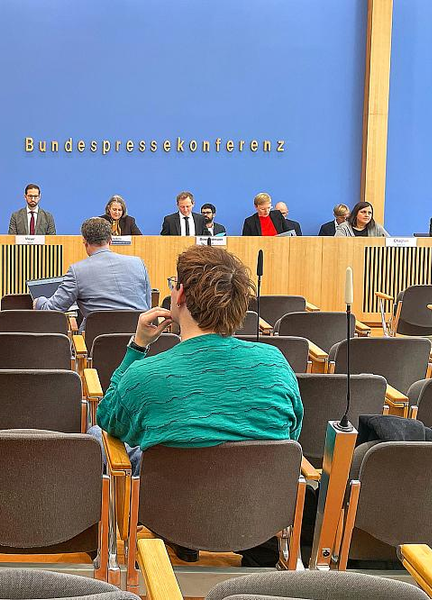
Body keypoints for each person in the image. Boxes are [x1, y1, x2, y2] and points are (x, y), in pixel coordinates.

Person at [93, 244, 302, 563]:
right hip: (255, 517)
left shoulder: (146, 375)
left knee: (98, 435)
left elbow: (109, 419)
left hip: (173, 515)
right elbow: (292, 431)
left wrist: (137, 346)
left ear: (179, 296)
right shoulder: (275, 363)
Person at [34, 218, 150, 326]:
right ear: (111, 239)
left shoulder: (77, 271)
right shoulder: (138, 264)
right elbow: (147, 308)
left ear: (84, 241)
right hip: (139, 341)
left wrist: (39, 301)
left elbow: (51, 311)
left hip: (97, 344)